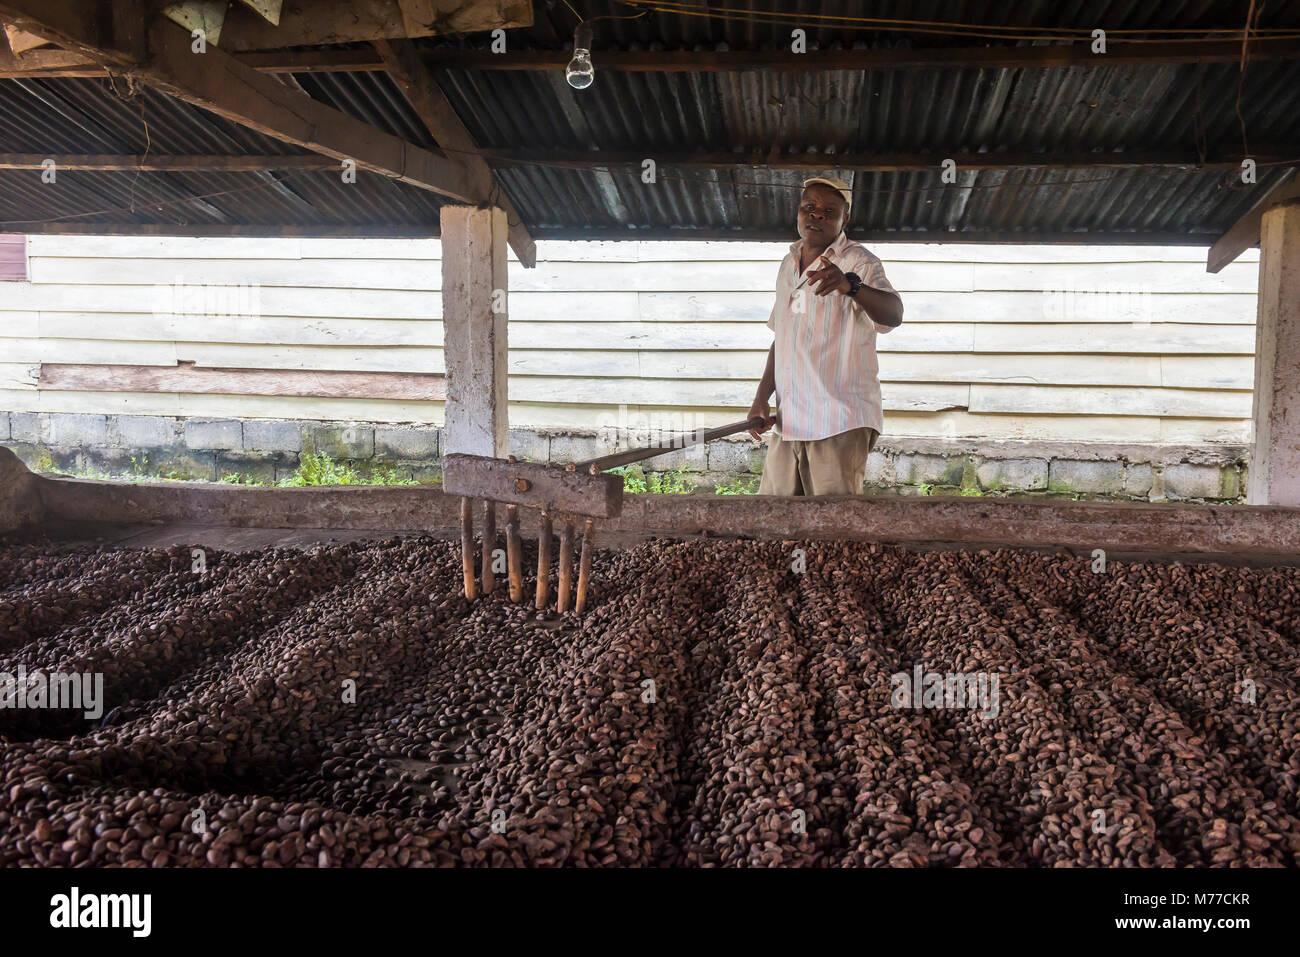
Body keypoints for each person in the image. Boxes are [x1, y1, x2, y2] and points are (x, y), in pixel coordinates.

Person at [749, 176, 904, 496]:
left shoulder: (859, 261)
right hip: (790, 420)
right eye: (810, 207)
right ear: (798, 212)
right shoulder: (788, 264)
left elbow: (894, 315)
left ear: (844, 218)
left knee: (833, 532)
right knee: (771, 523)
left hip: (840, 420)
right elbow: (783, 338)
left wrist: (852, 286)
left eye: (828, 211)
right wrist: (761, 398)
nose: (816, 215)